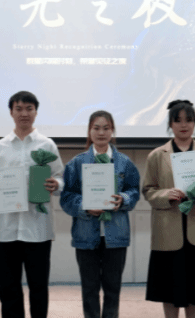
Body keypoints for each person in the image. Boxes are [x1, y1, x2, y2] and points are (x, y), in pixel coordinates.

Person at [0, 91, 64, 318]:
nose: (24, 113)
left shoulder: (47, 145)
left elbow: (60, 178)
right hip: (6, 229)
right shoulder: (0, 147)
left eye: (29, 108)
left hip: (37, 228)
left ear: (36, 112)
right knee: (8, 289)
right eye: (18, 109)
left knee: (39, 287)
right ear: (11, 112)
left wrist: (56, 184)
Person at [142, 100, 195, 318]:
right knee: (169, 290)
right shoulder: (157, 155)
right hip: (168, 231)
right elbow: (148, 191)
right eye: (178, 121)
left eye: (188, 120)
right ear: (170, 124)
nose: (183, 125)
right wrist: (165, 195)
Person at [60, 110, 141, 318]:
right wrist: (85, 206)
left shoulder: (124, 162)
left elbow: (134, 191)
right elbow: (66, 198)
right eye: (96, 128)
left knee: (113, 289)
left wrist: (123, 199)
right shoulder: (77, 163)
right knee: (89, 289)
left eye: (106, 128)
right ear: (89, 131)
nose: (101, 132)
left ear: (112, 131)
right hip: (86, 235)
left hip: (116, 235)